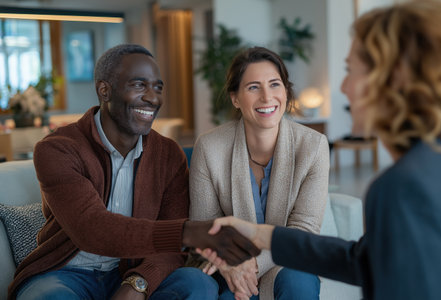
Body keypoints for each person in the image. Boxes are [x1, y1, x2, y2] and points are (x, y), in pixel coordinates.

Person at [199, 1, 441, 299]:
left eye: (350, 70)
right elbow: (361, 261)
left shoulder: (401, 187)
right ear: (235, 98)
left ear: (391, 79)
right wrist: (259, 234)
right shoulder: (435, 166)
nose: (343, 86)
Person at [8, 44, 260, 300]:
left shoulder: (169, 155)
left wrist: (139, 283)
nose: (153, 97)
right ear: (104, 90)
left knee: (198, 284)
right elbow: (92, 228)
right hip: (65, 274)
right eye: (139, 85)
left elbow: (172, 250)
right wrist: (190, 232)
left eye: (158, 87)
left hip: (134, 271)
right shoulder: (58, 149)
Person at [189, 46, 329, 300]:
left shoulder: (314, 146)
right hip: (226, 264)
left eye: (275, 84)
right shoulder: (210, 146)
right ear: (235, 98)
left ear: (286, 91)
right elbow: (205, 226)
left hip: (287, 262)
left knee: (298, 280)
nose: (267, 97)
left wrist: (251, 265)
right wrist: (232, 264)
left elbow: (303, 230)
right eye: (253, 87)